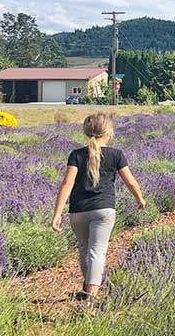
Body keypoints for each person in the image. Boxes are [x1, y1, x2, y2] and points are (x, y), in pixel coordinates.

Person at [51, 113, 146, 300]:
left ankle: (88, 288)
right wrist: (139, 198)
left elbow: (67, 184)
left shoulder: (76, 155)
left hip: (78, 210)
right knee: (97, 250)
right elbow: (131, 182)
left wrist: (57, 213)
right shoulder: (116, 154)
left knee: (84, 248)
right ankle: (91, 295)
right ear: (108, 132)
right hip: (104, 209)